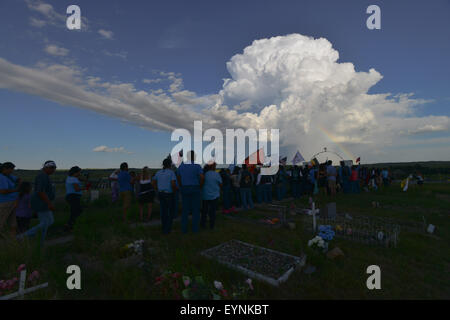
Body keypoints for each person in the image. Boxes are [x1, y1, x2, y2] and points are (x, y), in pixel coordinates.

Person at [19, 161, 57, 244]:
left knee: (46, 223)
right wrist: (49, 203)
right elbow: (40, 191)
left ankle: (40, 242)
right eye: (52, 168)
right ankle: (23, 236)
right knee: (47, 222)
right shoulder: (42, 176)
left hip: (43, 202)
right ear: (46, 167)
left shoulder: (45, 176)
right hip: (41, 203)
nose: (54, 170)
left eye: (54, 168)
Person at [176, 151, 204, 234]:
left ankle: (184, 230)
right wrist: (200, 186)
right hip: (195, 188)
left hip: (185, 188)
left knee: (185, 210)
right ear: (194, 157)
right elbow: (202, 177)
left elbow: (178, 177)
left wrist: (181, 185)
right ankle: (195, 229)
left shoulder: (181, 166)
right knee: (196, 210)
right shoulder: (197, 166)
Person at [153, 158, 177, 234]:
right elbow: (173, 184)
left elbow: (153, 182)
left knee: (163, 212)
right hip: (169, 194)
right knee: (170, 212)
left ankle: (164, 228)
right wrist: (175, 190)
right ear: (170, 164)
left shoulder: (158, 172)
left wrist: (157, 189)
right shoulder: (171, 173)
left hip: (161, 193)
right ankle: (168, 229)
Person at [65, 166, 88, 232]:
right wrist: (85, 188)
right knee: (77, 211)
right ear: (75, 172)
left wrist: (84, 180)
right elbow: (77, 189)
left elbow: (79, 179)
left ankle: (70, 225)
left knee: (75, 211)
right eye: (79, 172)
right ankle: (69, 226)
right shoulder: (74, 179)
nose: (80, 173)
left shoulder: (69, 178)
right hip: (74, 197)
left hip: (70, 196)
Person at [0, 162, 20, 237]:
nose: (12, 171)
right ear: (5, 169)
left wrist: (18, 183)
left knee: (13, 224)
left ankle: (12, 242)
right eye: (11, 169)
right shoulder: (1, 178)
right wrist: (16, 189)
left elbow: (18, 179)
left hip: (12, 202)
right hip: (5, 202)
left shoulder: (8, 176)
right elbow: (2, 191)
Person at [201, 162, 222, 229]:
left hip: (205, 195)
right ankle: (211, 225)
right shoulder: (216, 174)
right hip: (214, 195)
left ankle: (203, 224)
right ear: (213, 167)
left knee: (204, 211)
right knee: (212, 212)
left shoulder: (204, 174)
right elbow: (221, 184)